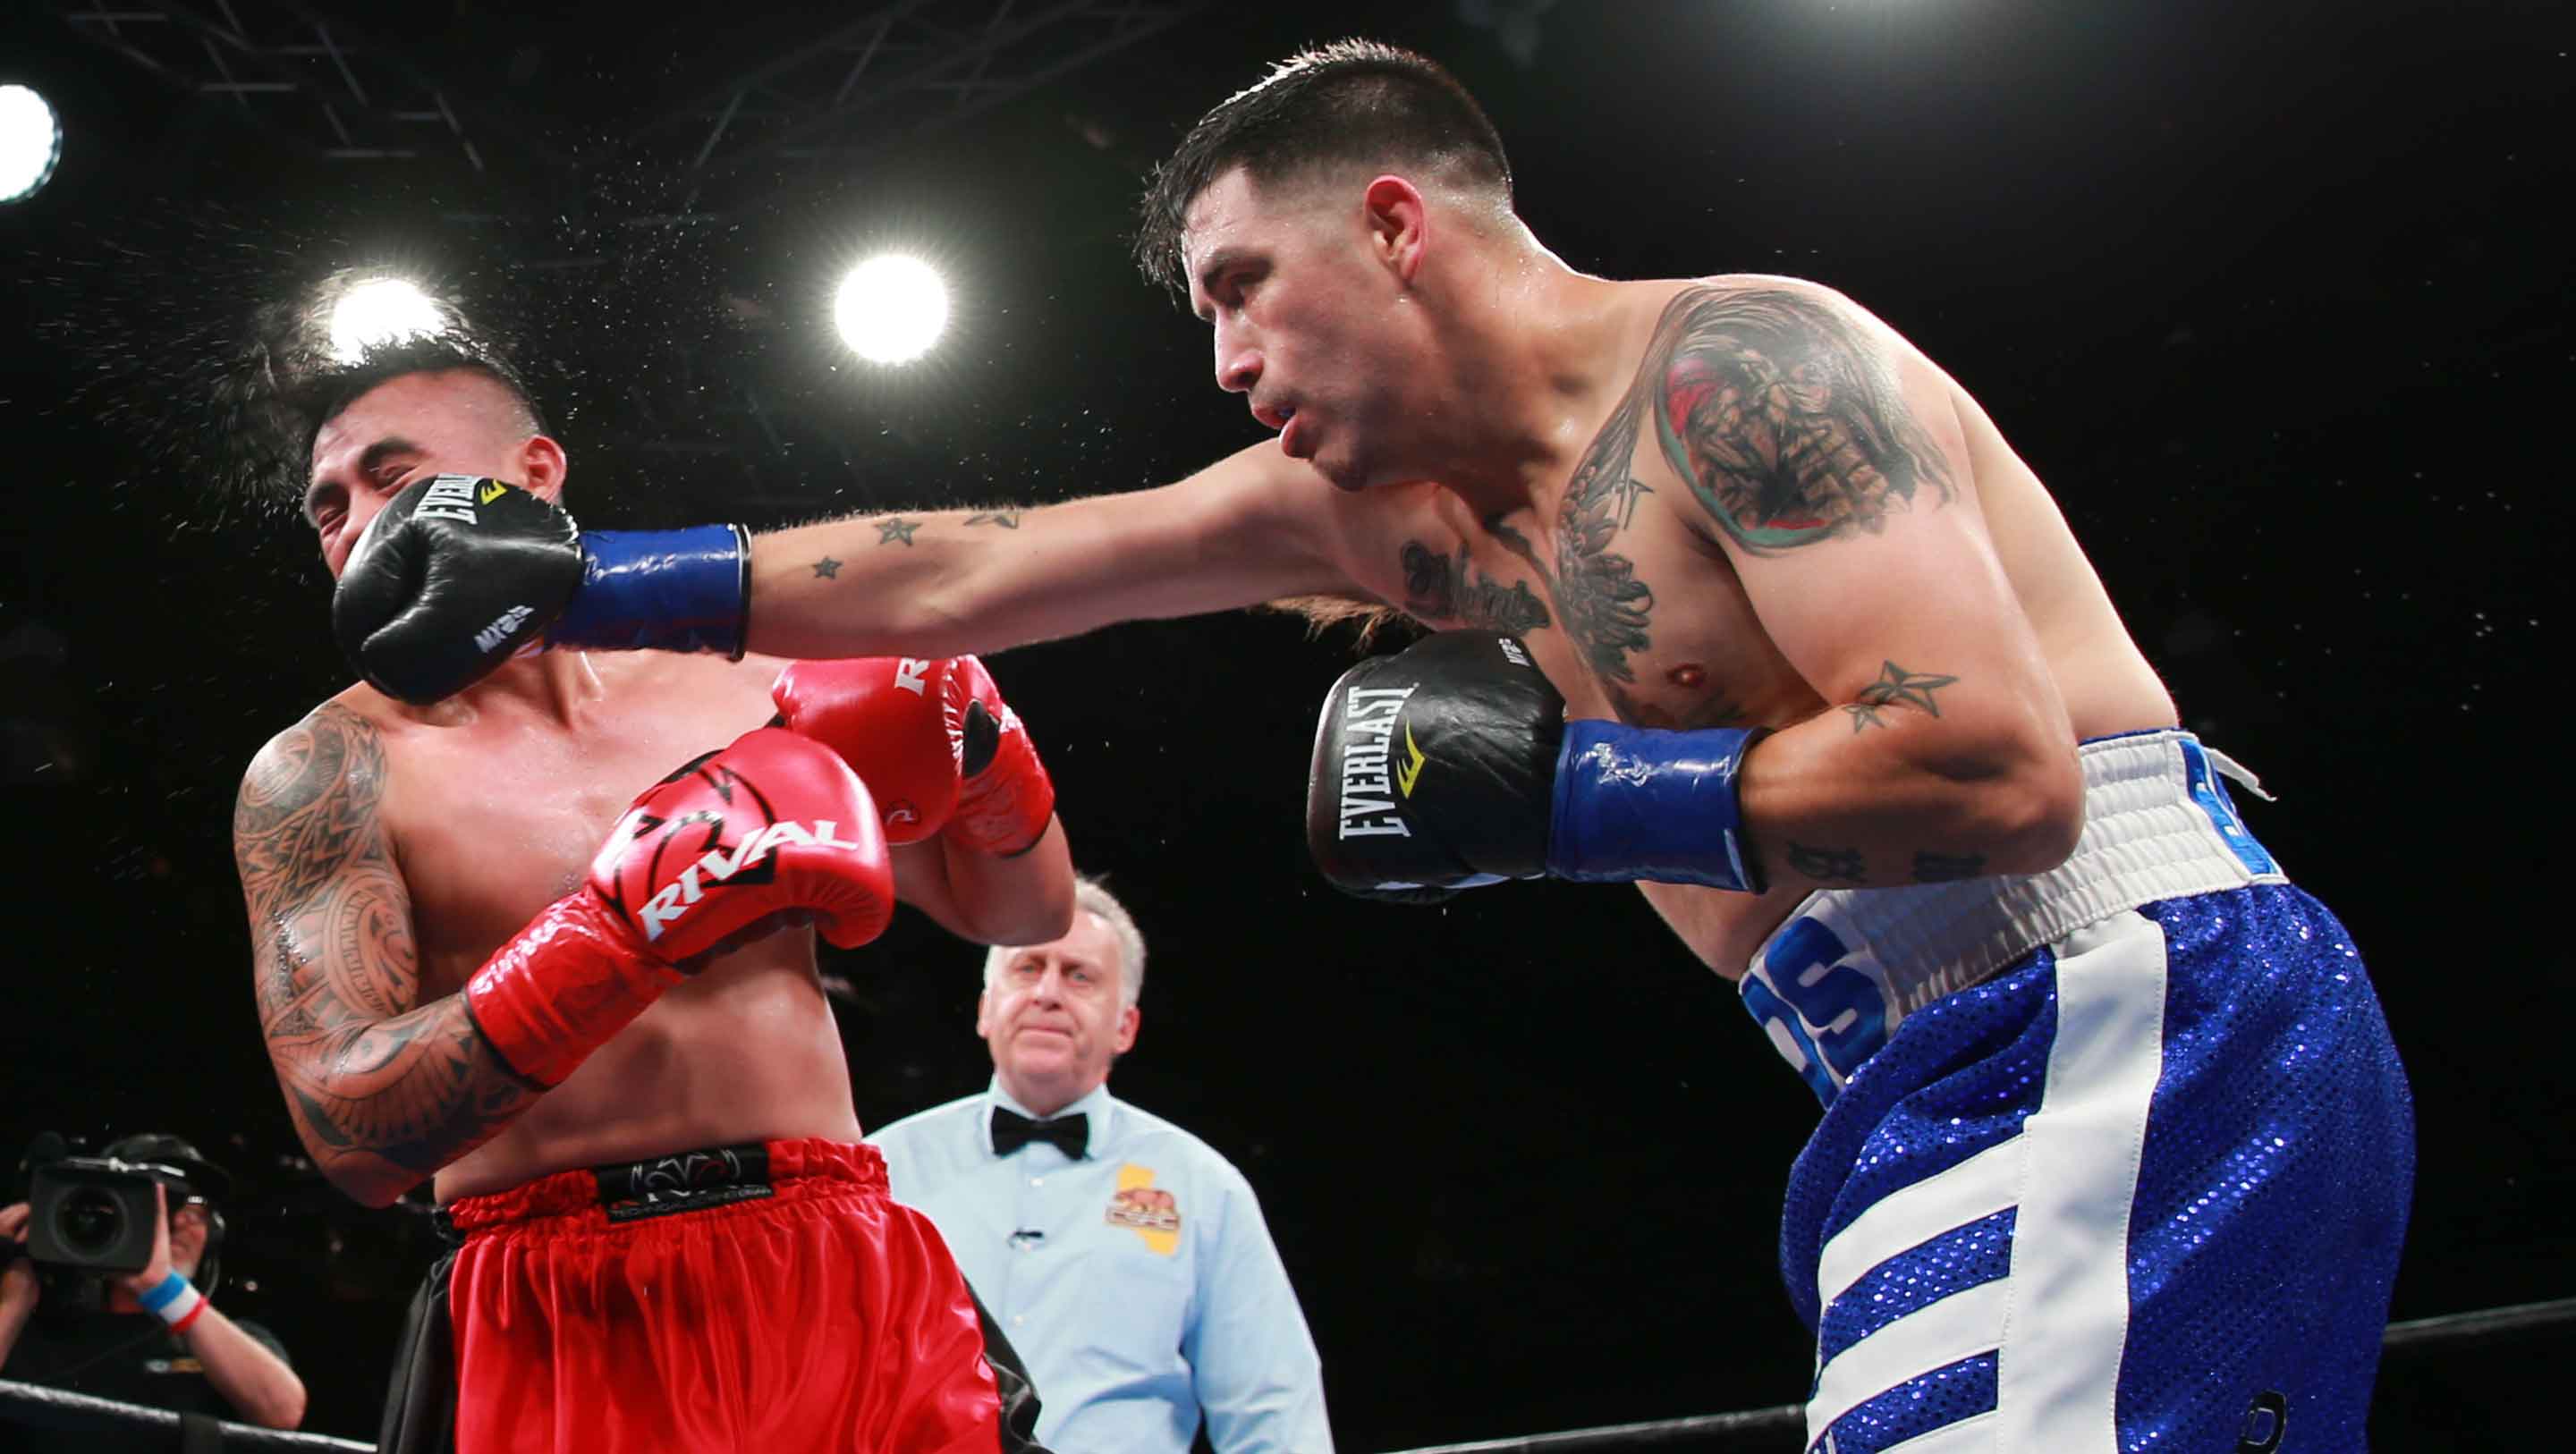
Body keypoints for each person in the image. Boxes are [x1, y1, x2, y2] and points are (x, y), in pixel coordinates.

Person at [334, 40, 2414, 1452]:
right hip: (1903, 1073)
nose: (1230, 366)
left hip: (2119, 1006)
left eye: (1249, 288)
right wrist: (586, 575)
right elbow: (985, 564)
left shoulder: (1735, 370)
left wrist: (1570, 792)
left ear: (1400, 224)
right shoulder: (1394, 520)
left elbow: (1995, 770)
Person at [239, 336, 1077, 1453]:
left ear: (536, 473)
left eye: (391, 475)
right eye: (328, 506)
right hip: (561, 1302)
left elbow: (1021, 913)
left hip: (839, 1262)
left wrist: (979, 747)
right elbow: (349, 1131)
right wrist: (618, 928)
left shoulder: (747, 674)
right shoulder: (328, 768)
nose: (351, 520)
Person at [869, 879, 1331, 1454]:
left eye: (1079, 975)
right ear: (986, 1009)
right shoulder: (880, 1175)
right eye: (1027, 968)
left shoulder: (1202, 1188)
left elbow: (1275, 1411)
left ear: (1125, 1027)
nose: (1047, 994)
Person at [0, 1134, 307, 1438]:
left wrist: (164, 1289)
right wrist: (13, 1297)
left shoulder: (232, 1345)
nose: (178, 1222)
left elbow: (282, 1411)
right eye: (153, 1207)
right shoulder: (38, 1333)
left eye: (195, 1209)